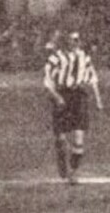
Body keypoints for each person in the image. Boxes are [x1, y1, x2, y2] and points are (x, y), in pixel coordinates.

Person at [43, 30, 103, 184]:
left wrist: (98, 100)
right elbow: (47, 83)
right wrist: (57, 97)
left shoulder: (84, 57)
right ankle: (62, 160)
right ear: (66, 41)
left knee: (79, 138)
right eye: (71, 40)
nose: (75, 43)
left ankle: (73, 172)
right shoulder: (56, 58)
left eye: (77, 40)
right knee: (61, 138)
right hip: (62, 95)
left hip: (79, 96)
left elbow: (93, 79)